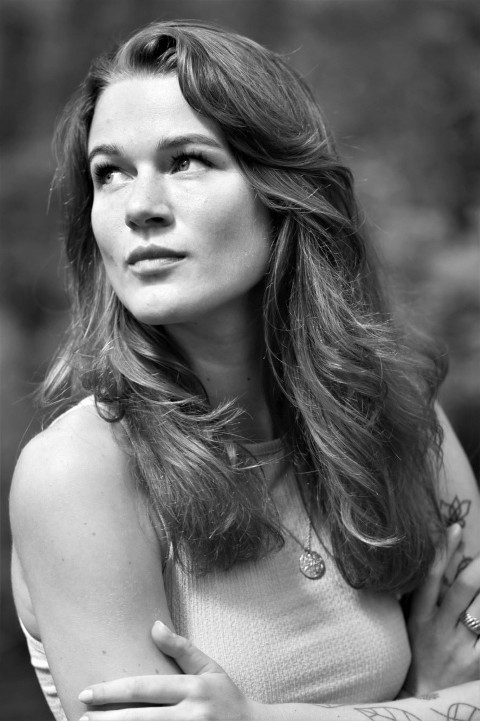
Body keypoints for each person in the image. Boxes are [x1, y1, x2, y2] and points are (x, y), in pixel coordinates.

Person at [9, 20, 479, 721]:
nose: (139, 208)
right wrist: (430, 700)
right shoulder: (79, 473)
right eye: (110, 172)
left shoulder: (394, 413)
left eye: (185, 161)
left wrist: (258, 717)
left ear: (281, 190)